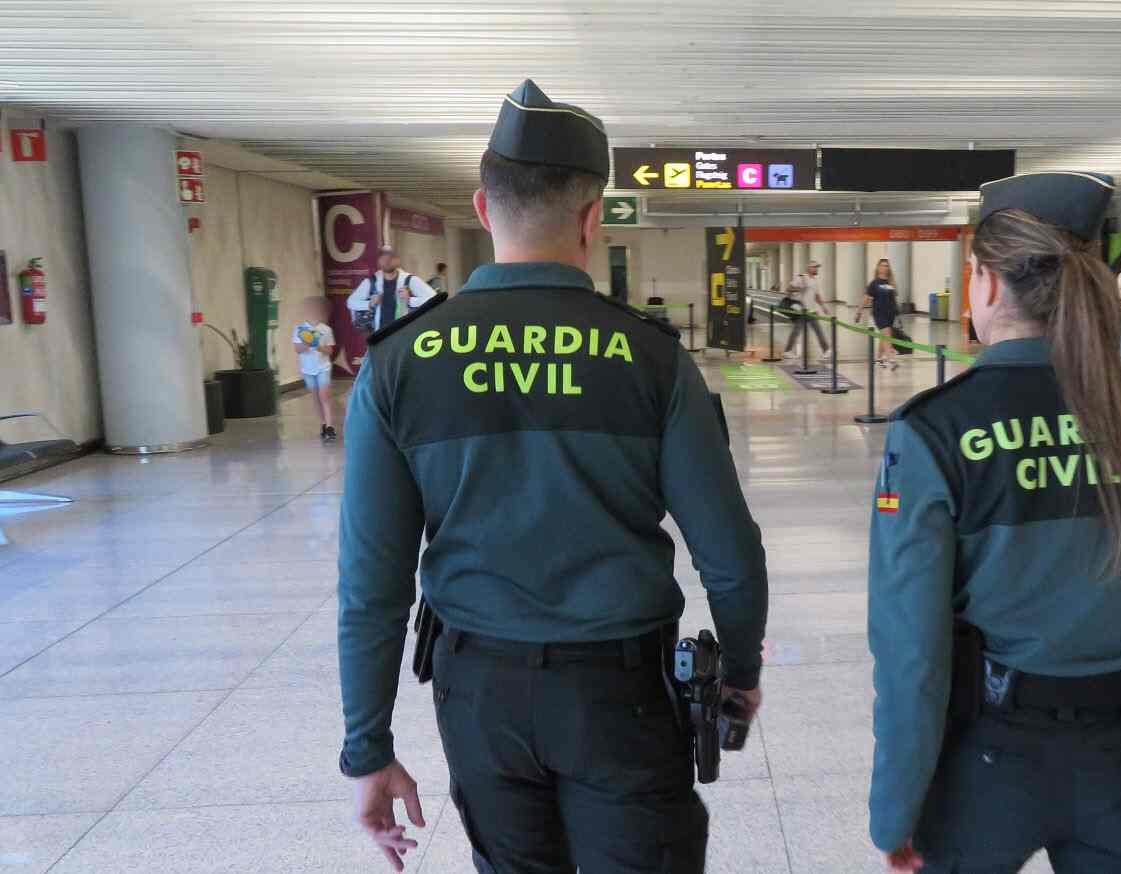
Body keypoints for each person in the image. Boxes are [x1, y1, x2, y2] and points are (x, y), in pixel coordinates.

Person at [335, 79, 768, 874]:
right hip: (622, 693)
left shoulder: (399, 363)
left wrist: (368, 747)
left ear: (483, 207)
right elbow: (730, 554)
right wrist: (739, 672)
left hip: (478, 694)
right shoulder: (651, 358)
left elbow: (372, 583)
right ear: (593, 215)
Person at [867, 171, 1121, 874]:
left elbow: (912, 655)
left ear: (985, 282)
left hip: (984, 764)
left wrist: (895, 809)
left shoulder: (936, 430)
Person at [346, 246, 437, 333]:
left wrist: (410, 300)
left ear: (397, 260)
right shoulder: (372, 281)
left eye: (390, 257)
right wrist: (370, 303)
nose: (387, 261)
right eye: (383, 258)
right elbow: (351, 302)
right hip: (380, 336)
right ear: (379, 261)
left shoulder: (410, 280)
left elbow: (434, 298)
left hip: (404, 334)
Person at [292, 296, 338, 441]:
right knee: (316, 397)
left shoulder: (326, 330)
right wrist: (307, 343)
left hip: (323, 368)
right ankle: (323, 423)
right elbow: (297, 349)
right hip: (307, 370)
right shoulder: (299, 329)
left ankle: (330, 427)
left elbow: (330, 351)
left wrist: (319, 347)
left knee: (324, 395)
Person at [857, 258, 901, 370]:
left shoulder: (891, 283)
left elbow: (894, 299)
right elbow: (866, 298)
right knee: (887, 334)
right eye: (882, 265)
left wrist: (897, 313)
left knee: (884, 336)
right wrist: (859, 311)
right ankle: (891, 360)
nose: (885, 268)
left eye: (886, 266)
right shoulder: (874, 283)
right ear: (878, 268)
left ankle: (879, 358)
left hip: (890, 314)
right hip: (879, 313)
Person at [783, 259, 831, 358]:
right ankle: (787, 351)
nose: (817, 269)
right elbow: (788, 289)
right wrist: (800, 288)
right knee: (796, 331)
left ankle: (826, 350)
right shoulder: (801, 278)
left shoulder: (815, 280)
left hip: (811, 310)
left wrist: (823, 306)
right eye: (815, 267)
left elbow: (816, 296)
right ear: (809, 268)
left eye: (817, 267)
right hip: (802, 310)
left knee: (818, 330)